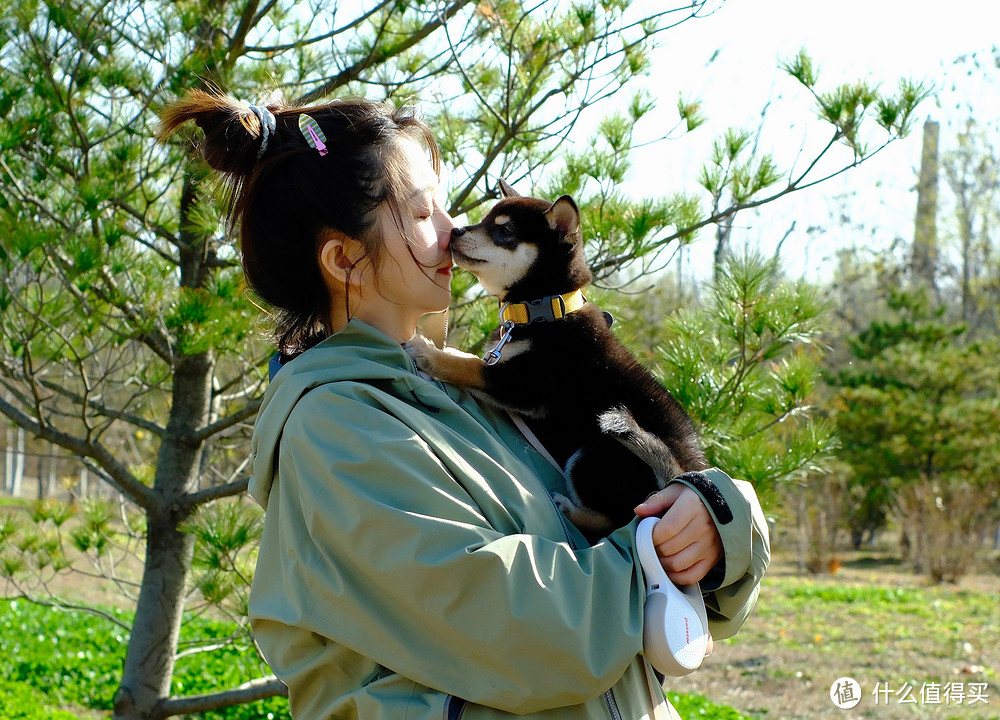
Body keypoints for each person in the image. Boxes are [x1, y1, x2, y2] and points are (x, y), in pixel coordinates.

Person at [159, 90, 769, 720]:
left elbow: (636, 548)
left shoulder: (465, 393)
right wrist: (651, 555)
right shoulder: (337, 429)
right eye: (423, 215)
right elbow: (529, 631)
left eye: (446, 206)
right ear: (345, 260)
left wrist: (716, 518)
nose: (453, 230)